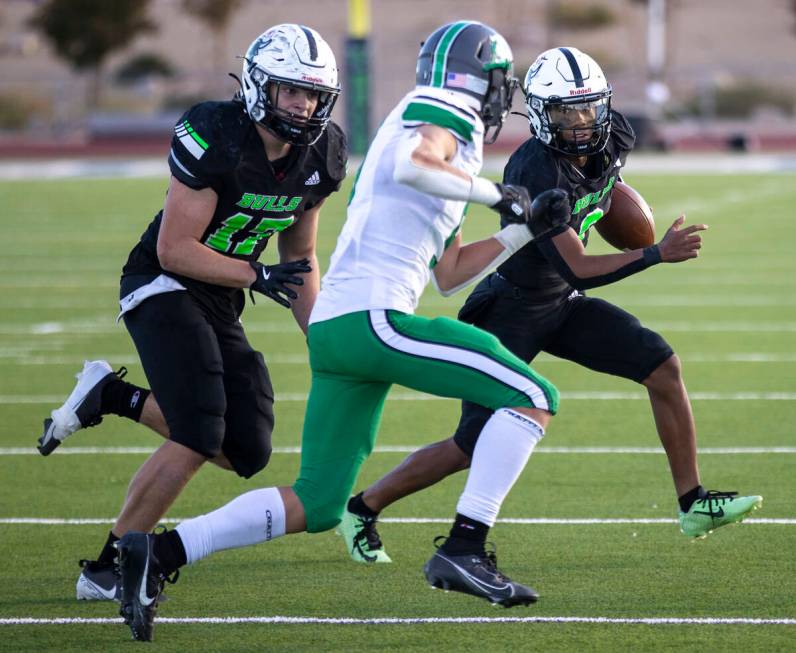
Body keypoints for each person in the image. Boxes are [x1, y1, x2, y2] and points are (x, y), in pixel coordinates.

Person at [113, 20, 572, 642]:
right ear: (478, 79)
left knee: (320, 503)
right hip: (372, 321)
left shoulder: (449, 144)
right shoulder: (446, 108)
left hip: (340, 327)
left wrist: (523, 229)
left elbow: (449, 273)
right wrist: (503, 197)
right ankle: (465, 546)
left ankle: (157, 554)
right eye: (498, 82)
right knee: (533, 396)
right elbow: (416, 165)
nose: (500, 96)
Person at [336, 46, 763, 564]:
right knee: (472, 442)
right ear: (540, 114)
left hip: (562, 305)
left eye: (588, 109)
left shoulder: (617, 135)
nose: (581, 124)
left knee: (662, 366)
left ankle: (693, 503)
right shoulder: (535, 167)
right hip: (512, 308)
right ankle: (364, 505)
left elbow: (606, 189)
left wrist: (615, 208)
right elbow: (577, 267)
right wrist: (653, 253)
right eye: (565, 113)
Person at [35, 23, 347, 602]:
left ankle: (112, 396)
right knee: (199, 427)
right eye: (290, 91)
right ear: (258, 88)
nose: (303, 106)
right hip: (161, 283)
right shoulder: (217, 133)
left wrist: (324, 338)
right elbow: (174, 249)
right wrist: (255, 275)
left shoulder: (322, 155)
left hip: (221, 296)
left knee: (246, 449)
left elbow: (298, 256)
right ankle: (108, 567)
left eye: (312, 94)